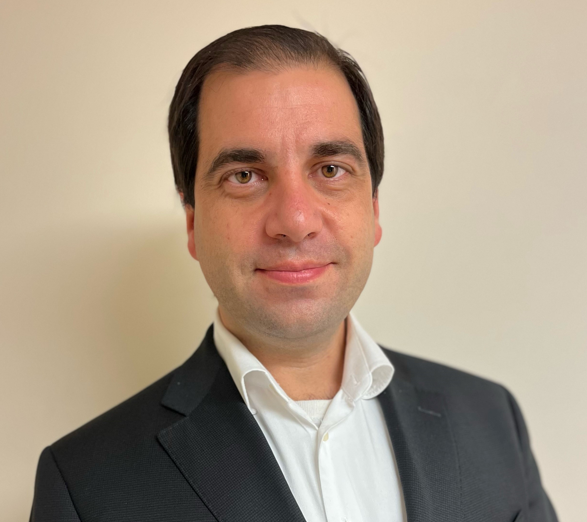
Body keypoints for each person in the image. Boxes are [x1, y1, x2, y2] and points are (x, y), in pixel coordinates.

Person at [30, 25, 557, 522]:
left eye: (330, 169)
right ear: (192, 222)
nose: (295, 221)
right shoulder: (86, 487)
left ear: (373, 209)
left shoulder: (493, 421)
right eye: (244, 175)